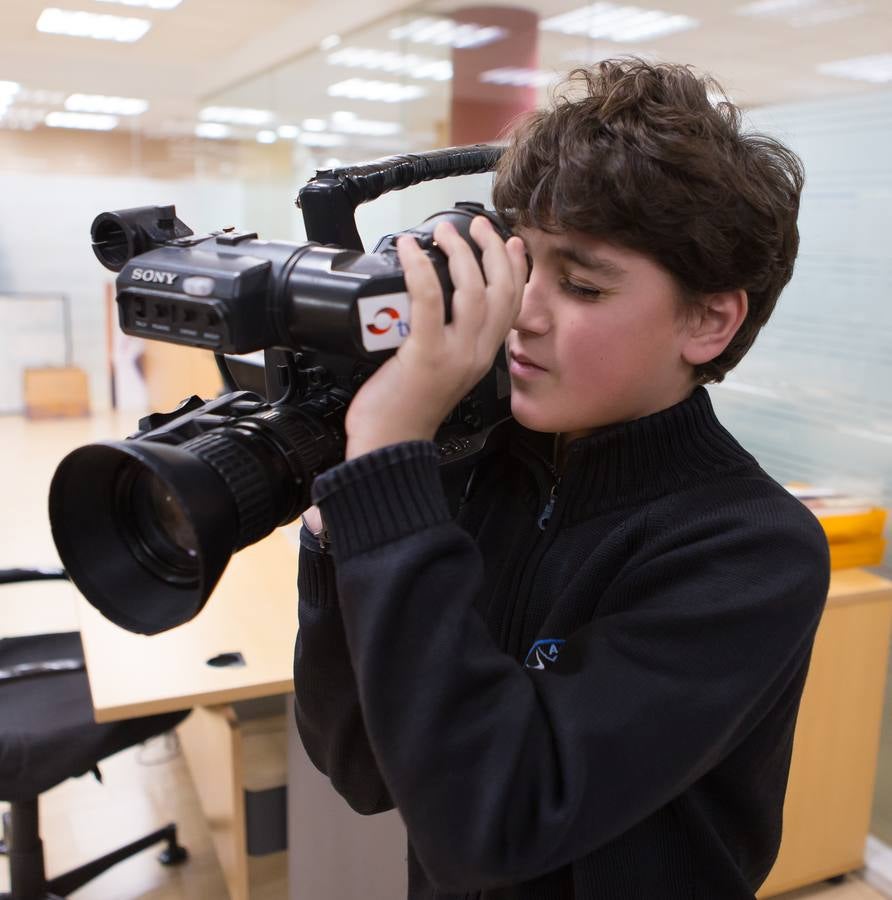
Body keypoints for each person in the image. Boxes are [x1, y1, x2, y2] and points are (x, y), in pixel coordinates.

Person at [293, 58, 830, 899]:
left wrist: (392, 464)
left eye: (580, 283)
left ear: (708, 319)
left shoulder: (753, 551)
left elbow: (494, 823)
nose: (523, 314)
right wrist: (349, 516)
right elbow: (361, 767)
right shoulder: (478, 471)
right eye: (521, 266)